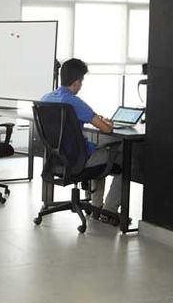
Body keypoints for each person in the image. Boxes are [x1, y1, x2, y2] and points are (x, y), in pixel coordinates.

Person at [40, 58, 123, 225]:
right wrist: (108, 123)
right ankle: (109, 211)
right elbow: (106, 129)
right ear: (77, 82)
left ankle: (96, 208)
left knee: (99, 154)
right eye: (82, 81)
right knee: (122, 159)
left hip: (56, 159)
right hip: (77, 160)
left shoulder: (45, 98)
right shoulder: (74, 102)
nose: (81, 85)